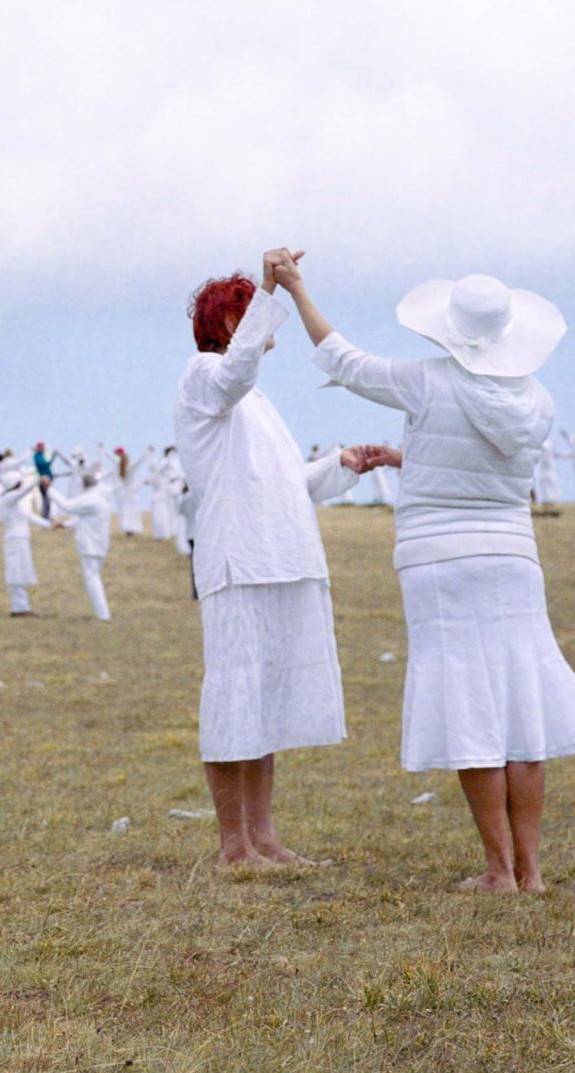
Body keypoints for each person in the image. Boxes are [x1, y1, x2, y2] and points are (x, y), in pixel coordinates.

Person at [283, 256, 575, 894]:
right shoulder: (538, 401)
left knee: (471, 712)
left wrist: (297, 289)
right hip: (514, 558)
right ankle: (532, 870)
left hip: (438, 562)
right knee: (523, 712)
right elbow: (487, 470)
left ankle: (497, 870)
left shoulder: (424, 380)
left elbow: (341, 359)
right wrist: (411, 457)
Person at [172, 251, 373, 869]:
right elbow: (233, 376)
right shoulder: (202, 375)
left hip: (283, 555)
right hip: (238, 561)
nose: (265, 325)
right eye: (248, 312)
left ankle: (264, 837)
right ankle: (234, 845)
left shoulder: (261, 406)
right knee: (235, 696)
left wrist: (339, 466)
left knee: (267, 703)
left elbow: (283, 484)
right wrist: (266, 287)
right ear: (224, 325)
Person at [50, 470, 114, 621]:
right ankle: (103, 613)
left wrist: (49, 488)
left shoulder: (90, 499)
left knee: (92, 579)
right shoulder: (101, 498)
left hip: (90, 545)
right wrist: (64, 525)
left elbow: (67, 506)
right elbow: (80, 519)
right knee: (94, 577)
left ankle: (103, 615)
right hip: (100, 544)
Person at [0, 469, 54, 616]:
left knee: (20, 572)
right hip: (15, 539)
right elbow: (22, 492)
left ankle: (22, 606)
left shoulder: (13, 501)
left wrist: (49, 525)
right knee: (16, 573)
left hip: (20, 539)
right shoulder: (8, 498)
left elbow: (28, 516)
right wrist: (37, 481)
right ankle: (19, 608)